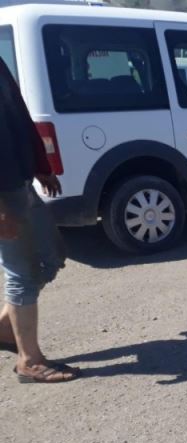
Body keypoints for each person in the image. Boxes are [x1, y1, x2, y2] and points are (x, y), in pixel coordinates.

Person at [0, 57, 79, 382]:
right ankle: (29, 361)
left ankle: (7, 327)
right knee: (22, 271)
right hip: (3, 194)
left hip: (18, 182)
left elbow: (17, 116)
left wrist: (41, 167)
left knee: (52, 257)